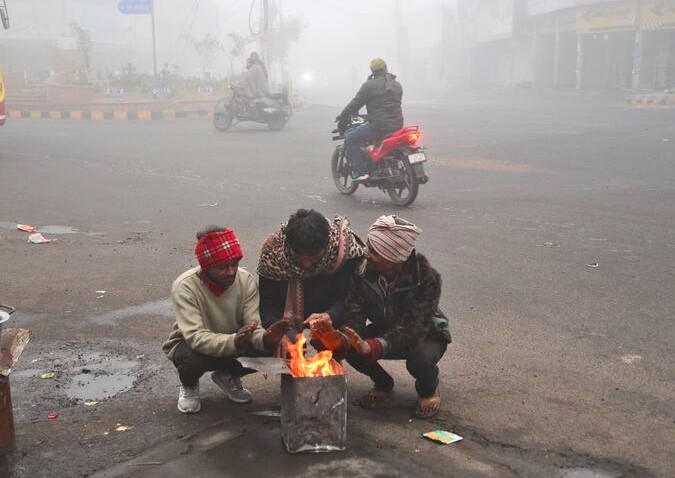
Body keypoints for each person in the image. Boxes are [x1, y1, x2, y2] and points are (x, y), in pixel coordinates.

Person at [306, 215, 451, 418]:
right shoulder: (363, 273)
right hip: (386, 327)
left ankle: (428, 392)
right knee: (354, 348)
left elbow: (412, 328)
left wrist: (374, 345)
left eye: (375, 251)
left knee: (419, 361)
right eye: (369, 247)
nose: (367, 254)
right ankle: (383, 383)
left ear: (395, 258)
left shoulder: (427, 278)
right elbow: (354, 313)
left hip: (425, 333)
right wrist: (341, 340)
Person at [162, 226, 290, 414]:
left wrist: (266, 339)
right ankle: (189, 385)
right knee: (192, 362)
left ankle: (227, 375)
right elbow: (196, 337)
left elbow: (252, 324)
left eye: (234, 264)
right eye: (222, 267)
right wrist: (235, 341)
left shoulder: (245, 281)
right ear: (206, 267)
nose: (231, 272)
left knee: (276, 351)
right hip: (193, 345)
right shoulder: (185, 287)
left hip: (236, 339)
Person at [258, 209, 366, 338]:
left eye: (314, 258)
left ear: (326, 246)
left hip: (333, 317)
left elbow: (352, 298)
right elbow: (268, 306)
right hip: (286, 321)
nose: (306, 265)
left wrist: (330, 315)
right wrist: (282, 334)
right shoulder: (273, 255)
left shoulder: (344, 252)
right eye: (300, 258)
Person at [336, 58, 403, 182]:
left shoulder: (369, 85)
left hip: (378, 126)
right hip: (397, 125)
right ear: (386, 68)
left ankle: (361, 172)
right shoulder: (396, 84)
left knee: (351, 139)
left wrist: (342, 115)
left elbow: (355, 104)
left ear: (372, 70)